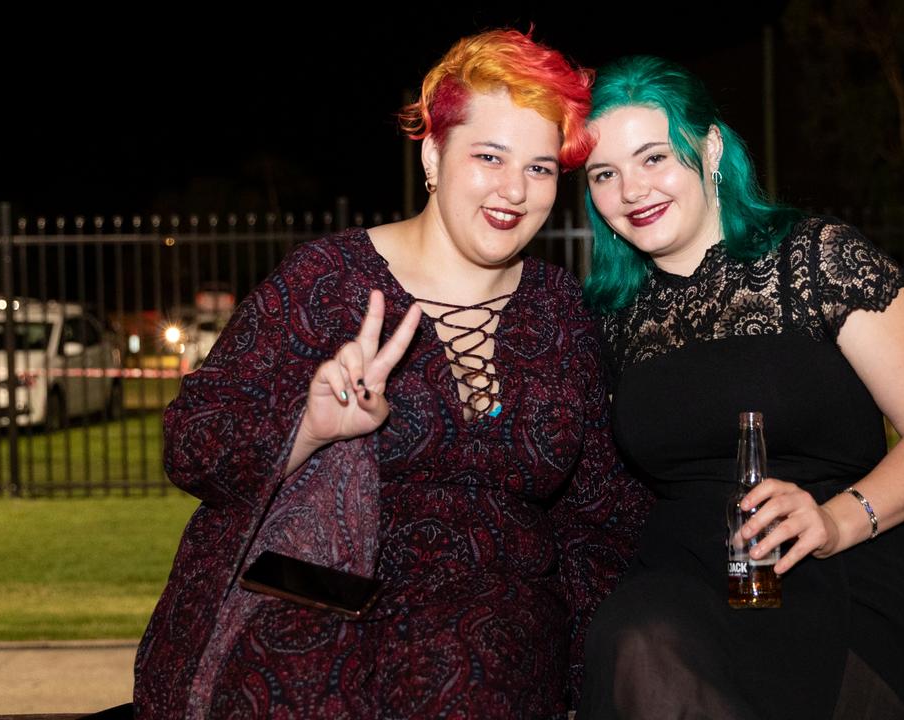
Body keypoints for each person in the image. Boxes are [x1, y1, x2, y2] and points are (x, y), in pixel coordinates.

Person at [132, 30, 651, 719]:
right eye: (489, 157)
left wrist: (593, 676)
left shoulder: (558, 311)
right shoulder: (328, 281)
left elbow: (599, 516)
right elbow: (192, 444)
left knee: (461, 666)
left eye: (540, 168)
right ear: (434, 153)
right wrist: (310, 429)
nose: (513, 191)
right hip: (322, 589)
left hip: (492, 616)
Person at [576, 56, 904, 719]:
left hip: (847, 573)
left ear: (708, 148)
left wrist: (834, 520)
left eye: (653, 158)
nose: (631, 190)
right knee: (637, 637)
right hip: (684, 587)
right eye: (604, 174)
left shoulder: (817, 261)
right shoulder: (613, 316)